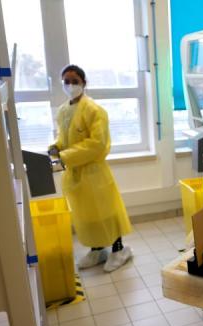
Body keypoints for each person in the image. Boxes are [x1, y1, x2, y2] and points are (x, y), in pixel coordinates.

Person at [49, 65, 133, 273]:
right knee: (85, 215)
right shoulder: (63, 110)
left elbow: (97, 144)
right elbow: (64, 137)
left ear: (84, 83)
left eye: (74, 81)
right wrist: (56, 146)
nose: (70, 85)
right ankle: (97, 249)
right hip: (74, 174)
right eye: (66, 81)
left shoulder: (95, 111)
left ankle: (119, 249)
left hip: (94, 172)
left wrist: (65, 155)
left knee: (106, 211)